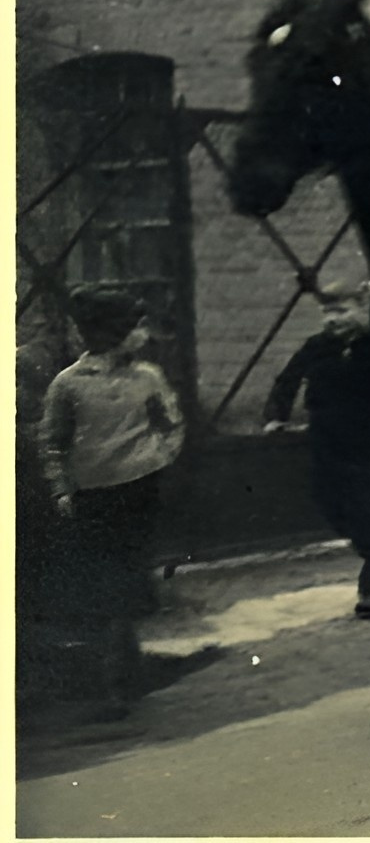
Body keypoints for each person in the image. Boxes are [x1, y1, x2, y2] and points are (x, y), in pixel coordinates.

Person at [39, 287, 186, 720]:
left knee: (127, 577)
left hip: (139, 490)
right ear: (113, 332)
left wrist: (155, 459)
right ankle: (120, 675)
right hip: (92, 496)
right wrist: (62, 489)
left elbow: (172, 424)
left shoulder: (148, 377)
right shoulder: (68, 384)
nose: (144, 335)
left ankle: (120, 680)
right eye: (136, 327)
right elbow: (51, 442)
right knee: (105, 583)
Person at [263, 280, 370, 618]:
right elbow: (288, 379)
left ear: (363, 308)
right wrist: (275, 416)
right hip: (326, 435)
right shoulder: (317, 346)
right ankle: (366, 543)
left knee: (367, 503)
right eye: (326, 312)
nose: (331, 319)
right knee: (327, 499)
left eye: (341, 310)